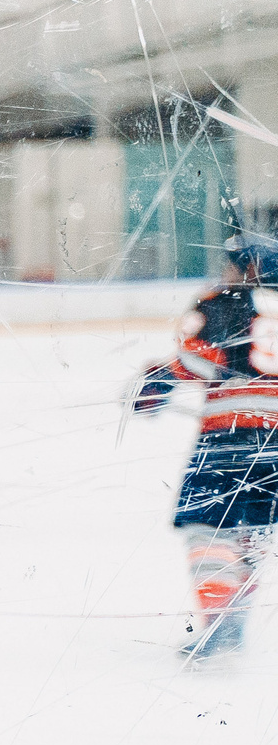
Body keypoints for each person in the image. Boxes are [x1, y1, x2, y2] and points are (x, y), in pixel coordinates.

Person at [132, 233, 278, 660]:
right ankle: (233, 619)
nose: (224, 270)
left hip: (227, 434)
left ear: (246, 268)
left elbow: (197, 361)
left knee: (207, 529)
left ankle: (220, 618)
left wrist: (157, 381)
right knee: (250, 534)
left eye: (231, 263)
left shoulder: (221, 301)